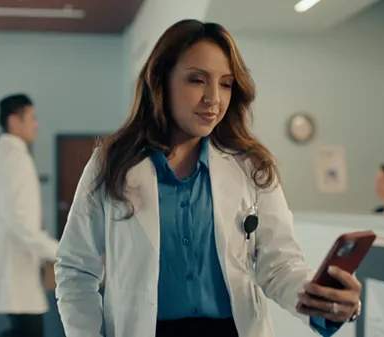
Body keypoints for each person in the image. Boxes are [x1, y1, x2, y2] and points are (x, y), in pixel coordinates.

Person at [54, 20, 362, 337]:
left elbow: (279, 266)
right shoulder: (112, 163)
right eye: (197, 80)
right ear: (161, 81)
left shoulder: (251, 166)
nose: (213, 98)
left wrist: (322, 300)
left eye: (226, 84)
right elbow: (76, 268)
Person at [0, 94, 59, 337]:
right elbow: (21, 224)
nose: (36, 124)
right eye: (31, 118)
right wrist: (60, 252)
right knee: (29, 331)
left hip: (1, 263)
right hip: (13, 268)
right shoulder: (16, 159)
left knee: (23, 329)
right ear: (13, 122)